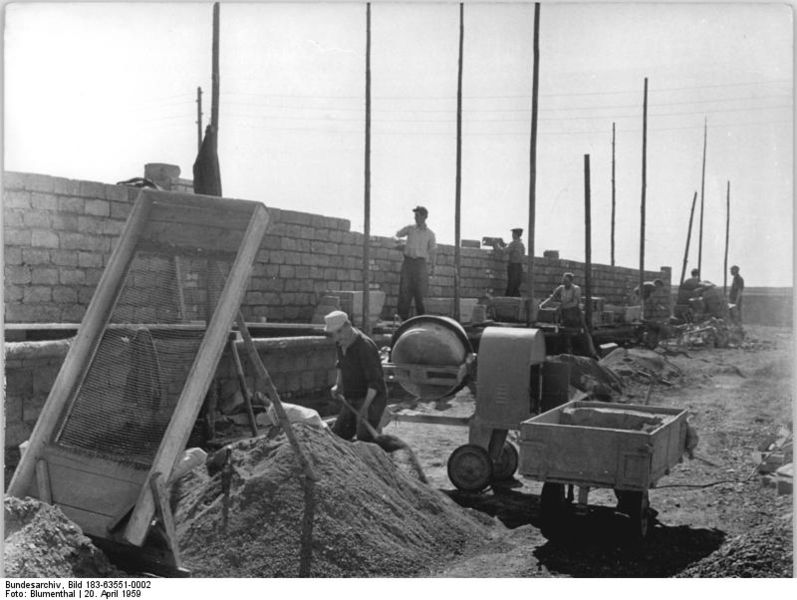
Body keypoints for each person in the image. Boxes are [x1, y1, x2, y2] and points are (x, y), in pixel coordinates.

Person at [325, 310, 387, 443]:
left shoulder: (365, 347)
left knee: (365, 439)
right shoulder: (340, 341)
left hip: (372, 399)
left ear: (347, 327)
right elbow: (341, 365)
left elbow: (374, 383)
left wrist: (364, 409)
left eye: (339, 333)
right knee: (339, 435)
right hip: (352, 396)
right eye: (333, 334)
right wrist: (338, 385)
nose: (336, 339)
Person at [395, 206, 437, 320]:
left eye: (418, 215)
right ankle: (402, 321)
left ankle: (421, 320)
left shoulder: (430, 234)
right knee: (404, 292)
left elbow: (433, 251)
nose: (415, 218)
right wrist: (400, 243)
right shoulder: (410, 229)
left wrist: (433, 267)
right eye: (415, 215)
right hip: (408, 263)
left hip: (420, 265)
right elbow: (397, 235)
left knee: (420, 294)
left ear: (425, 217)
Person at [497, 228, 525, 296]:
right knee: (515, 286)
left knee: (511, 286)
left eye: (513, 234)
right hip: (519, 267)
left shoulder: (513, 243)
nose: (512, 235)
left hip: (513, 266)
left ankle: (507, 301)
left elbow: (504, 251)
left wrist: (496, 245)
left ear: (515, 234)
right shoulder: (521, 244)